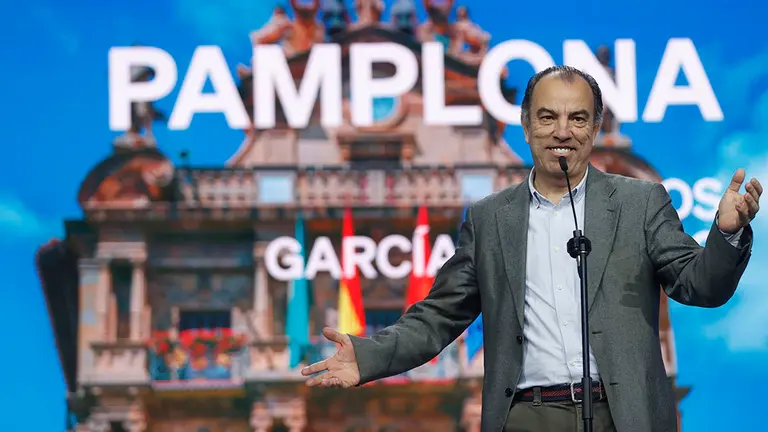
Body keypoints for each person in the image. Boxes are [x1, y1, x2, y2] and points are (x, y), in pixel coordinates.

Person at [301, 66, 762, 432]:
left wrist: (726, 234)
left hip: (622, 414)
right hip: (525, 416)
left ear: (594, 128)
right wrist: (368, 355)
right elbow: (438, 317)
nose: (563, 131)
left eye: (577, 118)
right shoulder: (490, 219)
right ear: (526, 127)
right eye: (547, 117)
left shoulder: (640, 202)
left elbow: (699, 285)